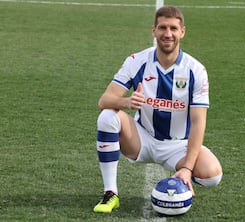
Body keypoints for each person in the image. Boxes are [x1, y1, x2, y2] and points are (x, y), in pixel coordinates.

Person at [93, 6, 223, 213]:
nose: (168, 34)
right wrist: (127, 102)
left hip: (178, 146)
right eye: (162, 28)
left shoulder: (195, 70)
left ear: (182, 32)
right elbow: (104, 100)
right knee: (107, 117)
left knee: (213, 175)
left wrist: (188, 168)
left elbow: (199, 122)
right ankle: (111, 193)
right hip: (141, 138)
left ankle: (178, 174)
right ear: (154, 31)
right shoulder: (137, 61)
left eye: (173, 28)